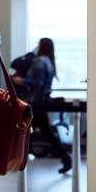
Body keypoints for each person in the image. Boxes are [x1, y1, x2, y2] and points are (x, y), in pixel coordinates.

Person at [23, 38, 71, 174]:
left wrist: (21, 80)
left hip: (36, 104)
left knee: (26, 131)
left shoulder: (39, 61)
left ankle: (17, 159)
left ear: (41, 46)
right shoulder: (49, 62)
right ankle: (66, 158)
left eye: (38, 43)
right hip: (42, 103)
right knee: (42, 132)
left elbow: (35, 83)